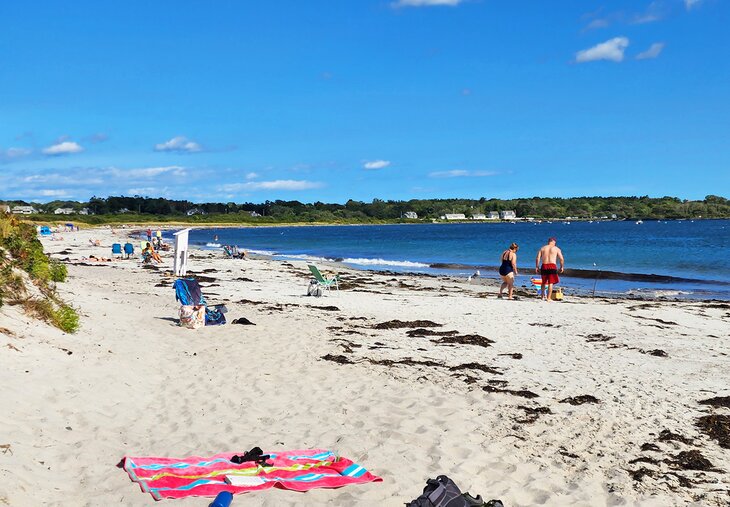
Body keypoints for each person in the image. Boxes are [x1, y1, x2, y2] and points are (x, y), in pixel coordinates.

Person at [535, 237, 564, 302]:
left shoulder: (542, 248)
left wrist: (537, 267)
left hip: (544, 265)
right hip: (552, 265)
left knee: (543, 282)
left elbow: (538, 258)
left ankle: (542, 297)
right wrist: (561, 267)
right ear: (553, 242)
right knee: (551, 282)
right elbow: (561, 259)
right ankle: (548, 298)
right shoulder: (556, 249)